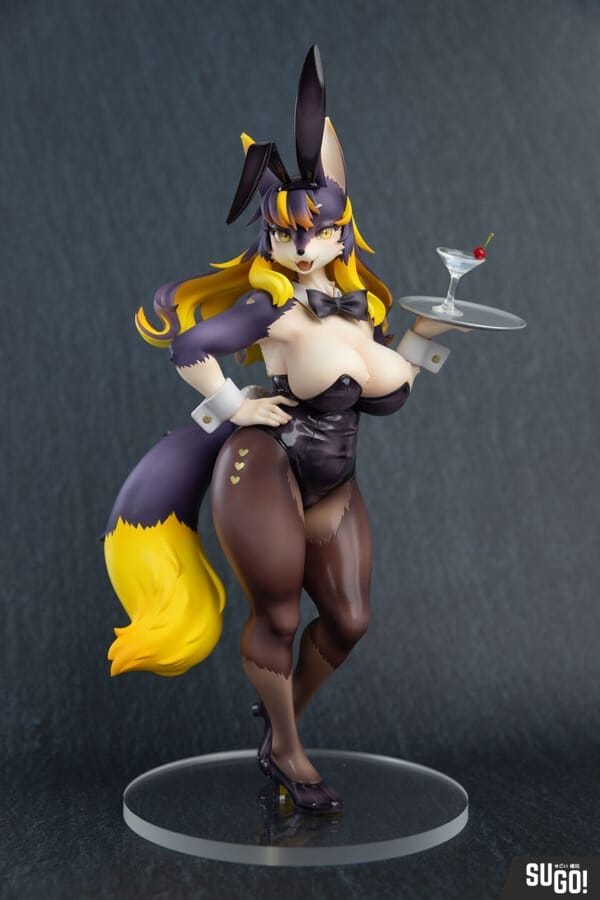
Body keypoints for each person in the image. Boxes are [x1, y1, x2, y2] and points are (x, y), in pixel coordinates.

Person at [104, 46, 467, 813]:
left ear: (342, 230)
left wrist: (426, 335)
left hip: (335, 483)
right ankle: (290, 753)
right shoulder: (273, 309)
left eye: (316, 231)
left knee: (350, 620)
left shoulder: (359, 309)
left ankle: (280, 726)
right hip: (265, 468)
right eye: (284, 234)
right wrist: (234, 405)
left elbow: (387, 394)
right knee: (277, 615)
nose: (301, 247)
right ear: (271, 237)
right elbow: (189, 346)